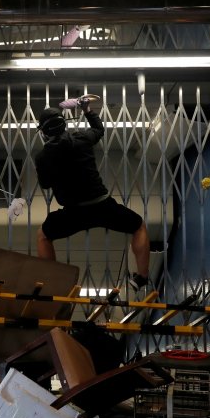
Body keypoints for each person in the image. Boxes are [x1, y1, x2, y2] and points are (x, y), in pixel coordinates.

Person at [33, 98, 151, 290]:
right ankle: (142, 278)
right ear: (64, 125)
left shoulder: (43, 156)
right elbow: (99, 129)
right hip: (102, 205)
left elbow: (45, 185)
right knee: (138, 226)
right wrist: (87, 110)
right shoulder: (82, 139)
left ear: (44, 133)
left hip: (74, 213)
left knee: (43, 235)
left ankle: (53, 281)